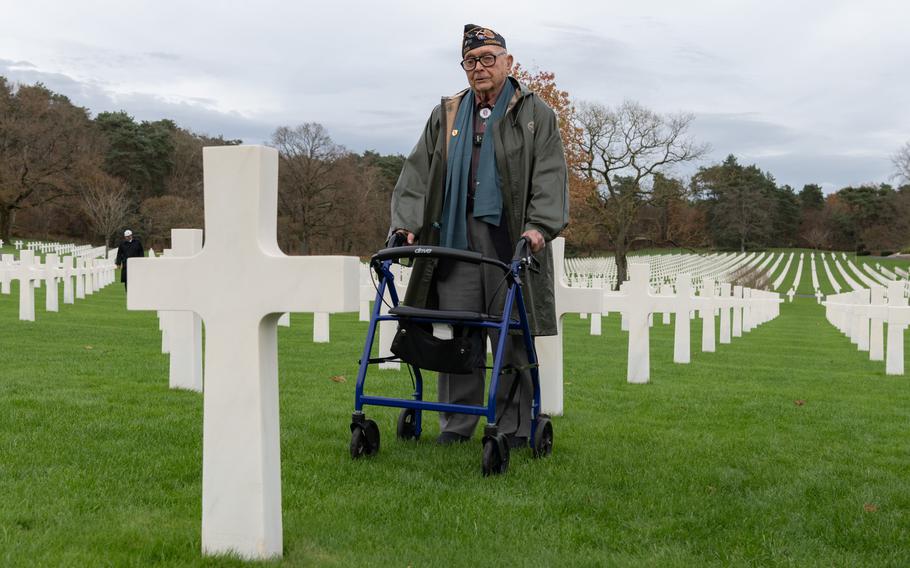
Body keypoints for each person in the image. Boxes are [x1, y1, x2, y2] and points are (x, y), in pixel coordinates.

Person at [390, 25, 569, 447]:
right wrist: (407, 222)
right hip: (454, 237)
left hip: (509, 240)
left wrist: (539, 226)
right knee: (456, 332)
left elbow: (549, 173)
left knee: (511, 336)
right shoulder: (447, 113)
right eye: (471, 61)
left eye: (489, 58)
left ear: (508, 62)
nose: (479, 68)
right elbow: (417, 172)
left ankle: (516, 428)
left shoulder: (535, 114)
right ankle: (456, 424)